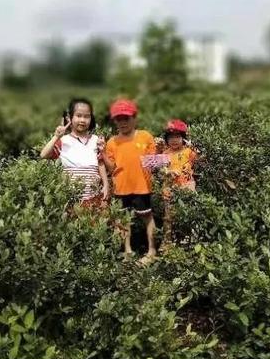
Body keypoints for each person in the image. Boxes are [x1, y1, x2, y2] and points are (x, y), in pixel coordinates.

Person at [98, 99, 157, 264]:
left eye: (126, 118)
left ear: (135, 118)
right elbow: (111, 168)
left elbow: (153, 162)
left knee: (147, 218)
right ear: (114, 120)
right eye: (119, 118)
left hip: (142, 187)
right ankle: (127, 251)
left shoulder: (145, 137)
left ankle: (151, 251)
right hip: (120, 188)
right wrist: (102, 153)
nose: (122, 122)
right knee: (123, 220)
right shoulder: (111, 142)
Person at [40, 98, 109, 209]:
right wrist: (56, 136)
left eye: (86, 116)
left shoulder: (96, 140)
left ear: (91, 118)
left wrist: (106, 185)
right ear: (69, 118)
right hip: (71, 200)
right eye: (78, 116)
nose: (82, 120)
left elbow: (100, 164)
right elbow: (43, 155)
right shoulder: (64, 141)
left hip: (95, 199)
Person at [156, 119, 198, 249]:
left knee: (188, 213)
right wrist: (168, 172)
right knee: (169, 216)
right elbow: (159, 170)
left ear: (183, 138)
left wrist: (192, 145)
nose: (174, 140)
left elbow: (200, 159)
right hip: (169, 188)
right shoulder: (165, 153)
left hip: (186, 186)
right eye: (171, 137)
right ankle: (168, 241)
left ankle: (191, 240)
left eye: (177, 137)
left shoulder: (188, 152)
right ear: (167, 139)